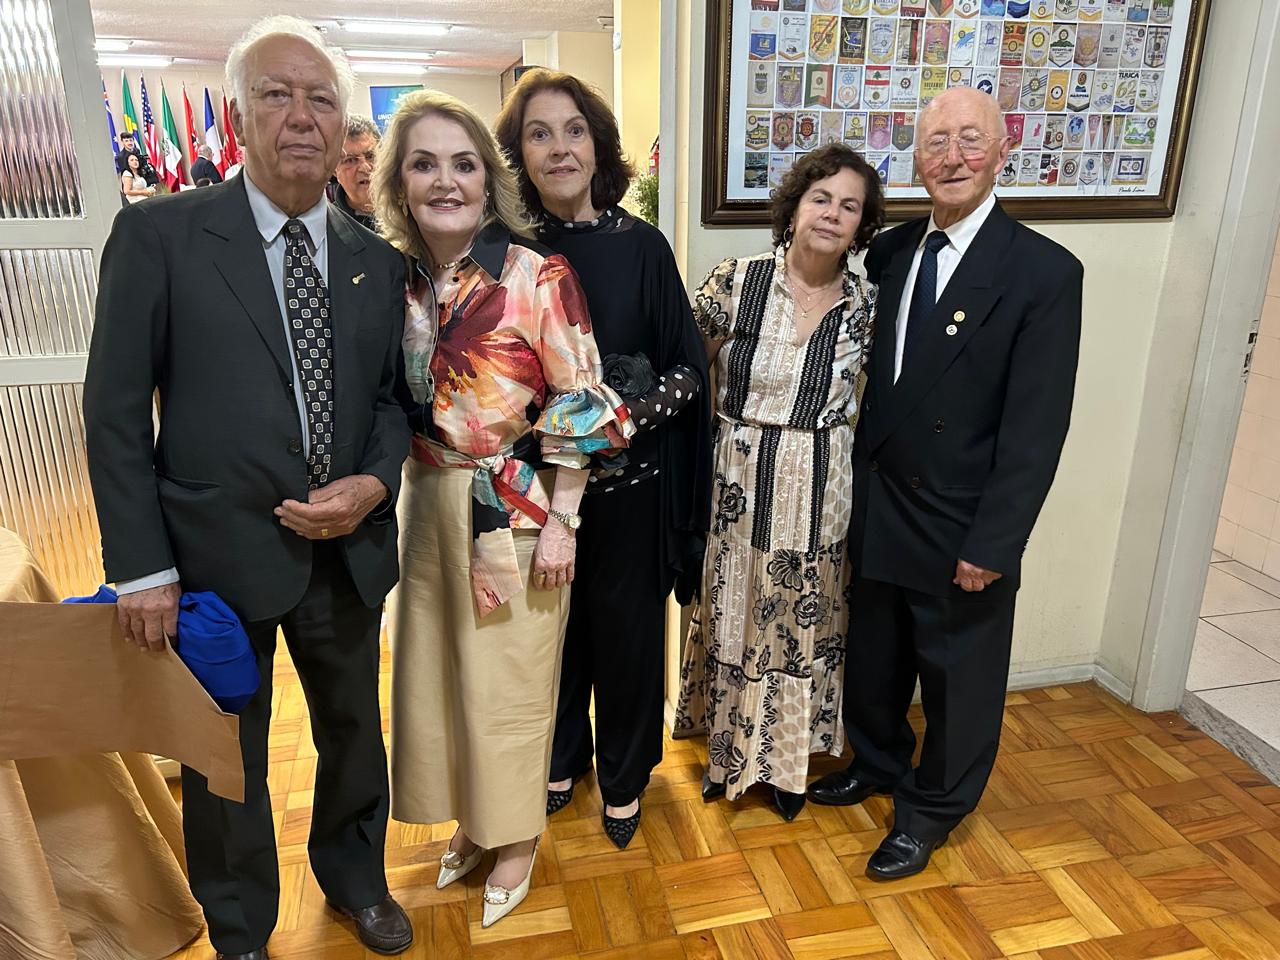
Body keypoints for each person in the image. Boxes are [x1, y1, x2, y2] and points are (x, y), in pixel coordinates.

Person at [83, 16, 414, 959]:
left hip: (344, 554)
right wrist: (143, 568)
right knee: (223, 752)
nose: (301, 117)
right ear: (237, 116)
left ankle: (356, 879)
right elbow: (114, 413)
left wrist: (373, 483)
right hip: (212, 558)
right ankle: (239, 927)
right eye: (277, 95)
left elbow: (390, 403)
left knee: (354, 732)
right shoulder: (160, 236)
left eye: (321, 100)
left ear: (343, 124)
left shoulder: (375, 260)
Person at [806, 87, 1083, 880]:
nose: (952, 157)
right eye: (935, 143)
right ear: (916, 159)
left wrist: (995, 542)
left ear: (1003, 152)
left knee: (958, 683)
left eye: (970, 140)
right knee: (877, 658)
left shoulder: (1043, 272)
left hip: (962, 521)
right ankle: (877, 760)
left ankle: (930, 811)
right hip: (880, 504)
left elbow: (1036, 427)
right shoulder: (891, 252)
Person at [374, 91, 633, 927]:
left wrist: (564, 522)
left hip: (513, 508)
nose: (445, 181)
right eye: (424, 164)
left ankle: (516, 837)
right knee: (444, 678)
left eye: (464, 163)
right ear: (399, 181)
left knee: (510, 685)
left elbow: (583, 406)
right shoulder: (396, 278)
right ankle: (472, 822)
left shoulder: (535, 275)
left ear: (489, 178)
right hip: (426, 499)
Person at [495, 68, 712, 849]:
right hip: (531, 490)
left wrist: (621, 418)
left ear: (598, 146)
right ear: (519, 155)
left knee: (625, 638)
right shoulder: (509, 253)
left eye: (574, 130)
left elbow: (689, 370)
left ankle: (624, 777)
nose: (559, 148)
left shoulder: (641, 247)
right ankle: (560, 759)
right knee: (551, 636)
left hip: (631, 489)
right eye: (539, 134)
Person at [673, 143, 882, 823]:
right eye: (821, 198)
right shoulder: (735, 281)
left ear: (861, 226)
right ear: (793, 209)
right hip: (738, 479)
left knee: (803, 621)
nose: (832, 214)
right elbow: (689, 371)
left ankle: (787, 768)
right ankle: (727, 757)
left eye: (849, 206)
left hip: (822, 488)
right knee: (735, 610)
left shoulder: (867, 306)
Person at [333, 114, 379, 230]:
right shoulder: (327, 226)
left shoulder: (410, 209)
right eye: (350, 160)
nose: (365, 168)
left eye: (370, 156)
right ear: (334, 170)